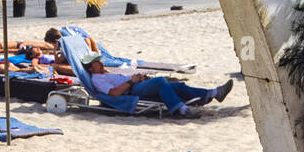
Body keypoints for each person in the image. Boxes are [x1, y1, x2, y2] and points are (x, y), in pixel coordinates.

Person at [81, 52, 233, 117]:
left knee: (178, 85)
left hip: (135, 85)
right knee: (161, 82)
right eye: (97, 62)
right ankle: (181, 109)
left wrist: (137, 77)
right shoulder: (96, 79)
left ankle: (213, 93)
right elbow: (114, 93)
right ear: (90, 68)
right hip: (133, 91)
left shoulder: (104, 73)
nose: (101, 62)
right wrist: (131, 81)